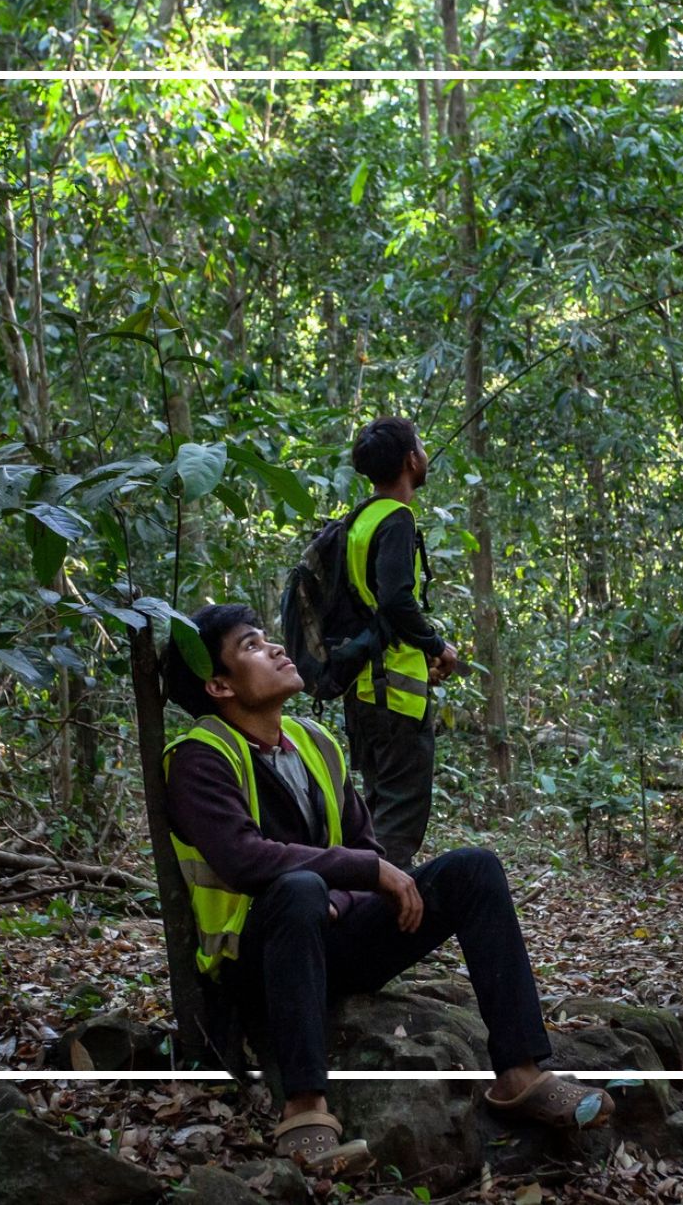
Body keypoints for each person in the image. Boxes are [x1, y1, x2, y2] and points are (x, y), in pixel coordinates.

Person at [161, 603, 610, 1174]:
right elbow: (244, 860)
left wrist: (346, 893)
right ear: (218, 684)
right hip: (257, 964)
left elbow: (365, 851)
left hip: (337, 941)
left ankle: (520, 1073)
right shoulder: (200, 757)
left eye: (267, 639)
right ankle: (304, 1111)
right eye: (252, 646)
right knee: (298, 890)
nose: (276, 648)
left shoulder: (314, 741)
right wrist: (355, 880)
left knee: (474, 869)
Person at [340, 416, 458, 870]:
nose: (425, 454)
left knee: (376, 807)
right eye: (422, 446)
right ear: (411, 460)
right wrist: (436, 645)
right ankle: (382, 922)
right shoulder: (396, 518)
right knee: (400, 817)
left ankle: (364, 912)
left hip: (364, 689)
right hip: (393, 694)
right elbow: (393, 599)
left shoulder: (361, 518)